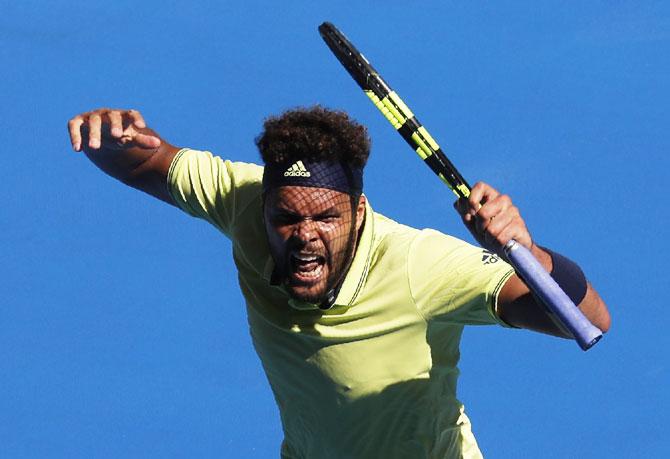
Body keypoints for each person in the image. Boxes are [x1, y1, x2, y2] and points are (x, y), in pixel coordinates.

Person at [68, 106, 610, 458]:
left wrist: (529, 252)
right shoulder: (243, 203)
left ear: (358, 211)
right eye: (286, 217)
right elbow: (147, 161)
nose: (305, 235)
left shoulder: (419, 265)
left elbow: (585, 320)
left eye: (325, 218)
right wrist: (108, 138)